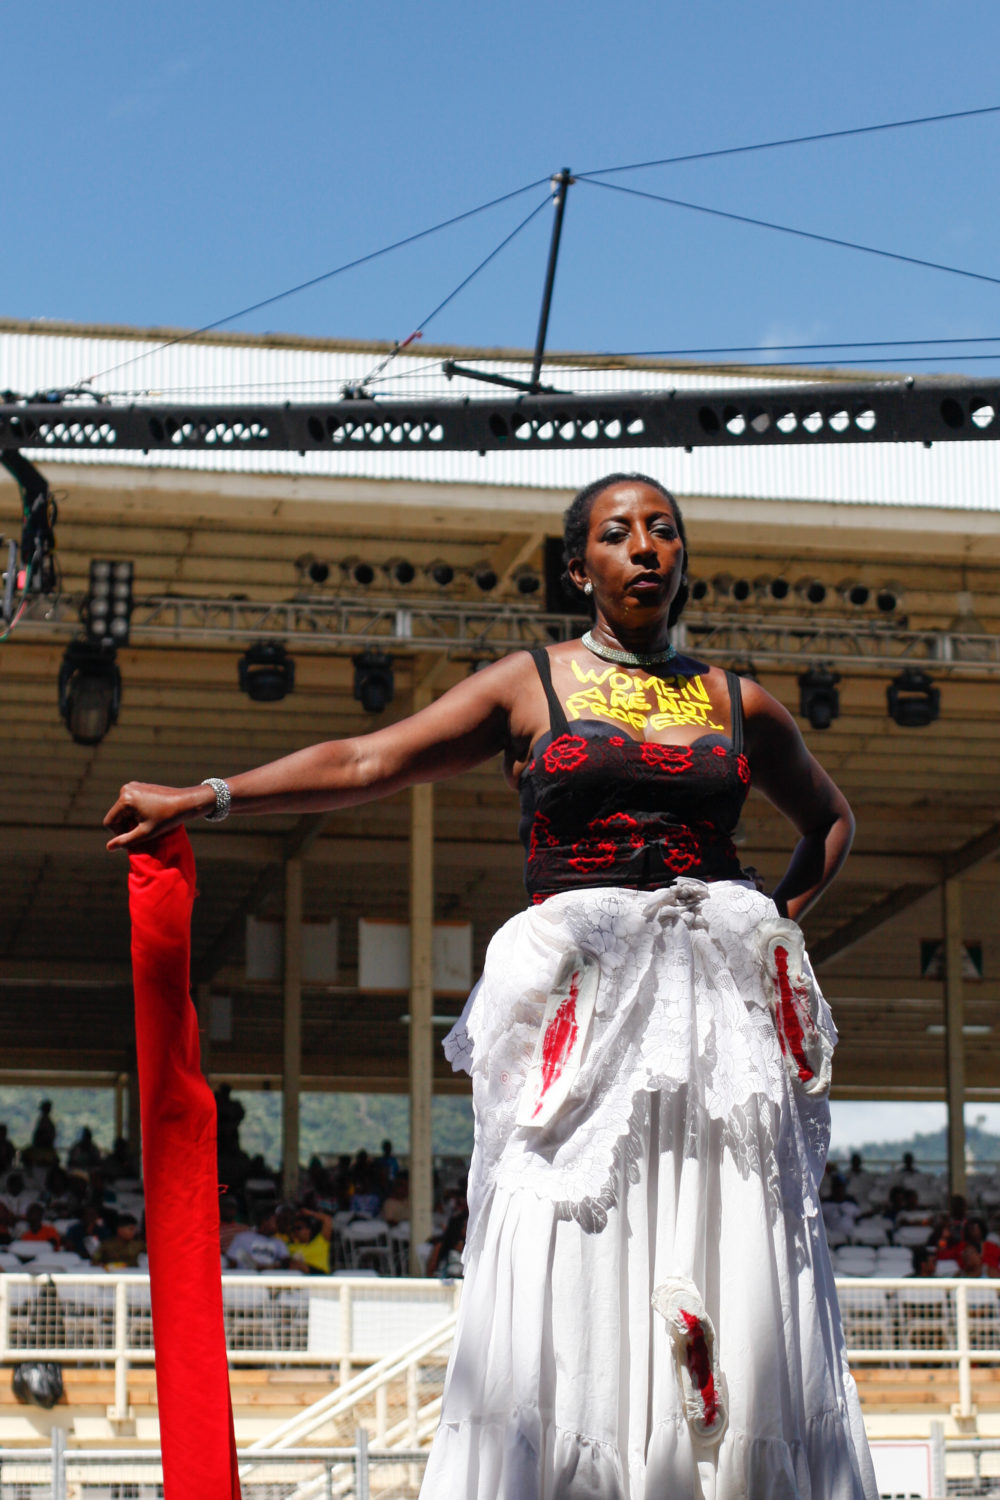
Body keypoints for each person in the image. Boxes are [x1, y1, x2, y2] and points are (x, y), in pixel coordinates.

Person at [104, 474, 875, 1498]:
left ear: (683, 557)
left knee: (735, 1238)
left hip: (714, 1030)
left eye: (662, 530)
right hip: (583, 1016)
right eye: (617, 533)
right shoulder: (530, 683)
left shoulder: (742, 701)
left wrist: (768, 929)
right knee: (565, 1230)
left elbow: (831, 820)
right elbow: (367, 760)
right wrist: (208, 796)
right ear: (579, 568)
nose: (645, 547)